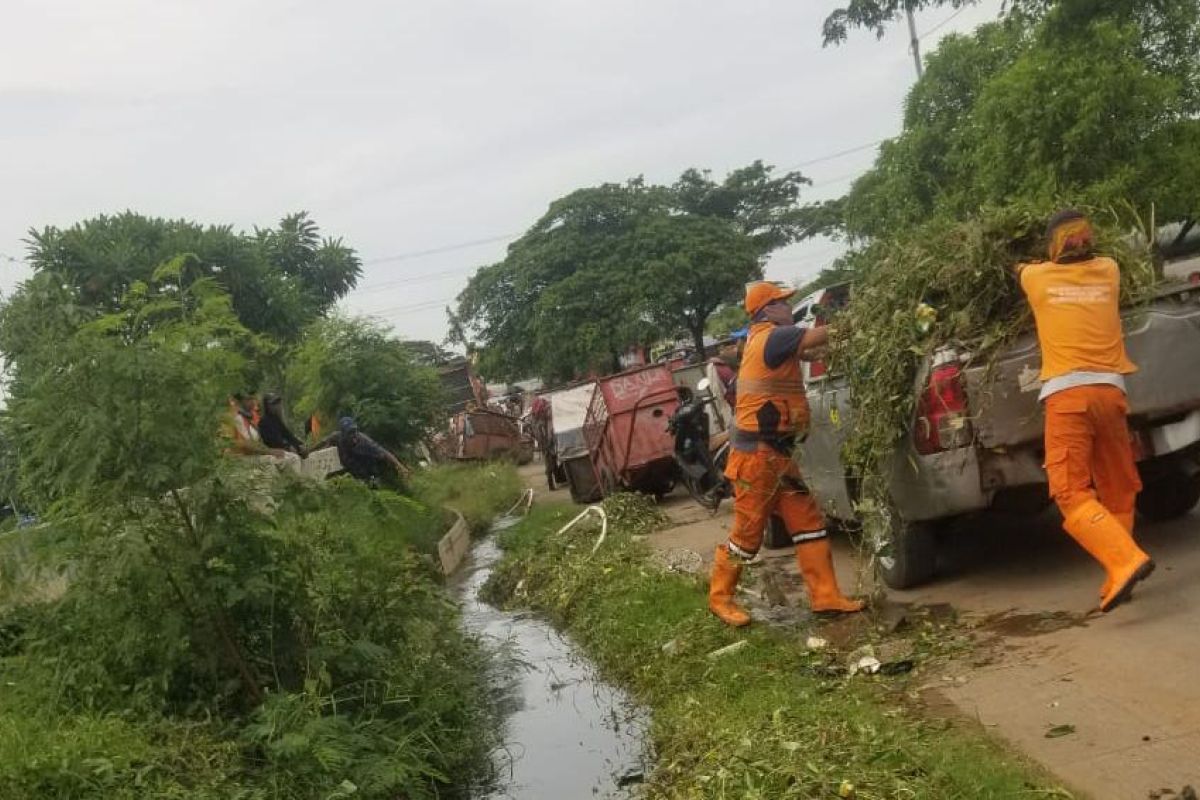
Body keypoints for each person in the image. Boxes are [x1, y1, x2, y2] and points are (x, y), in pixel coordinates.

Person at [1017, 209, 1153, 612]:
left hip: (1067, 397)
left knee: (1070, 491)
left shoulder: (1037, 278)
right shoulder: (1109, 270)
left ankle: (1125, 560)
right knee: (1118, 485)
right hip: (1111, 393)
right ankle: (1118, 571)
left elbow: (1014, 266)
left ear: (1052, 246)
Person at [707, 282, 865, 627]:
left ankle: (825, 597)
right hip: (757, 458)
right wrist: (859, 318)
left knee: (808, 523)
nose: (787, 307)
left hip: (776, 454)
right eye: (782, 302)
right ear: (768, 308)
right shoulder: (774, 336)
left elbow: (810, 353)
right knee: (747, 537)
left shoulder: (766, 340)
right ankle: (720, 599)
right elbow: (813, 339)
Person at [316, 417, 406, 485]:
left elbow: (385, 453)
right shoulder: (336, 437)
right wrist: (308, 451)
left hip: (365, 469)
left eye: (354, 431)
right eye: (349, 433)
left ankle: (374, 481)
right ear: (343, 434)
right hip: (347, 466)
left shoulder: (363, 440)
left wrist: (400, 467)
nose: (353, 436)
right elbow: (322, 442)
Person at [258, 393, 308, 457]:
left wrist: (300, 445)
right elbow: (273, 441)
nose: (277, 406)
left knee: (304, 452)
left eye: (278, 403)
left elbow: (288, 435)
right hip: (273, 453)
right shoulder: (264, 422)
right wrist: (288, 446)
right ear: (267, 406)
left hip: (284, 449)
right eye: (274, 404)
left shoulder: (276, 420)